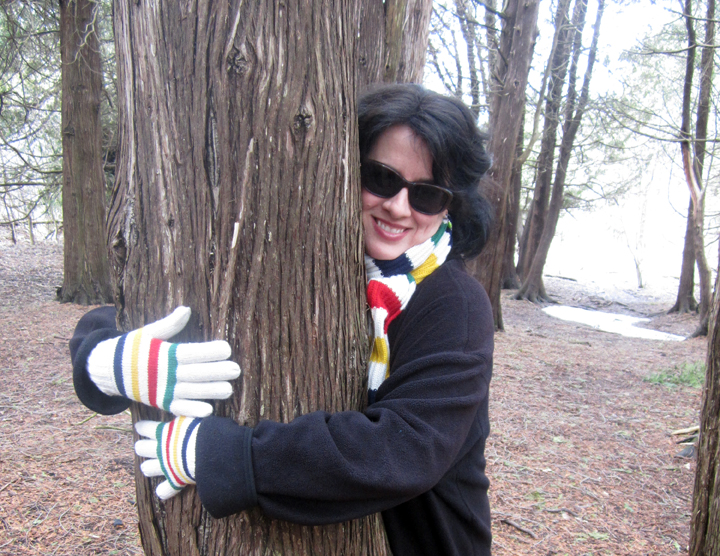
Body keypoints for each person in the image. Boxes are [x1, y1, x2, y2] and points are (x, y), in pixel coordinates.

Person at [69, 83, 494, 556]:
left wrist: (226, 456)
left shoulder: (454, 303)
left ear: (450, 205)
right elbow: (174, 309)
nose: (397, 206)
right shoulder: (326, 260)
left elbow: (406, 449)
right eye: (381, 177)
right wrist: (102, 358)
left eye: (426, 195)